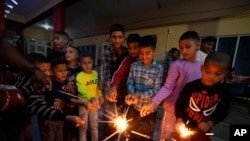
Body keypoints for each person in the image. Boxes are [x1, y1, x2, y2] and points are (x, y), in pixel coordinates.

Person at [140, 31, 203, 140]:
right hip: (173, 109)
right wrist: (154, 102)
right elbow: (168, 86)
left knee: (185, 136)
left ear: (198, 45)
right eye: (181, 48)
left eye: (188, 47)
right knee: (166, 135)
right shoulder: (177, 65)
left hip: (191, 111)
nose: (184, 51)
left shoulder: (203, 67)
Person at [174, 52, 230, 141]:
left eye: (218, 74)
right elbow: (180, 104)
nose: (211, 76)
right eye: (207, 71)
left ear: (225, 74)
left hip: (205, 130)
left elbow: (223, 112)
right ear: (202, 68)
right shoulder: (190, 86)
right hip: (184, 127)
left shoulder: (223, 92)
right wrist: (179, 120)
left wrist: (210, 123)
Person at [125, 35, 163, 140]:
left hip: (149, 111)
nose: (144, 56)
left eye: (148, 53)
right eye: (141, 53)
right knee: (131, 134)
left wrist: (139, 95)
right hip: (134, 109)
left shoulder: (158, 68)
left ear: (154, 51)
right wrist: (132, 95)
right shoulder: (134, 66)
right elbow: (130, 82)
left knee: (146, 136)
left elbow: (156, 90)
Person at [40, 58, 84, 141]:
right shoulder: (52, 84)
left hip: (60, 117)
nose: (64, 73)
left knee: (59, 137)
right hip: (50, 119)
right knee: (49, 137)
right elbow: (65, 97)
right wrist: (82, 102)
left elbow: (68, 98)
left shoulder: (64, 83)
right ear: (52, 72)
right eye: (60, 71)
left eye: (65, 70)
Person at [101, 23, 128, 140]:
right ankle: (108, 136)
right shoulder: (106, 53)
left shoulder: (127, 52)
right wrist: (109, 88)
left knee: (122, 116)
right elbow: (106, 72)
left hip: (124, 88)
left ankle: (120, 137)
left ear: (124, 38)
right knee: (109, 116)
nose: (117, 40)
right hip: (110, 88)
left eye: (120, 37)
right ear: (110, 38)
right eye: (114, 37)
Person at [106, 33, 141, 106]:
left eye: (135, 48)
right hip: (129, 96)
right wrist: (113, 86)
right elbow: (118, 74)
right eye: (129, 48)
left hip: (143, 97)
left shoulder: (144, 61)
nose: (132, 51)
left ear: (140, 47)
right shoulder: (127, 60)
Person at [76, 53, 103, 141]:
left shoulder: (95, 73)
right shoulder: (79, 76)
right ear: (79, 64)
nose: (87, 65)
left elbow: (96, 87)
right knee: (83, 126)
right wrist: (91, 97)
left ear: (92, 62)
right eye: (84, 63)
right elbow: (81, 90)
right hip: (83, 103)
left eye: (89, 62)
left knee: (94, 125)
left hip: (94, 102)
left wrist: (100, 96)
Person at [64, 45, 82, 141]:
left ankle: (74, 138)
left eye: (71, 52)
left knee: (77, 122)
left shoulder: (81, 70)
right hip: (66, 100)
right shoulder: (63, 68)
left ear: (77, 55)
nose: (67, 54)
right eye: (66, 52)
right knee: (66, 122)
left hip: (78, 100)